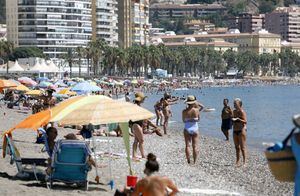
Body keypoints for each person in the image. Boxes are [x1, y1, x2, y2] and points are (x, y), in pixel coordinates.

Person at [182, 95, 200, 164]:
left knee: (187, 145)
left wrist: (188, 120)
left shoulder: (184, 111)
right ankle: (195, 161)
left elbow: (183, 120)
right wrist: (193, 120)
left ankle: (188, 160)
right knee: (195, 146)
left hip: (187, 128)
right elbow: (198, 119)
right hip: (195, 128)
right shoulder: (197, 110)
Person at [232, 98, 247, 166]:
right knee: (236, 147)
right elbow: (232, 119)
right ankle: (237, 161)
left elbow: (245, 121)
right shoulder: (234, 111)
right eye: (234, 104)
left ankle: (244, 162)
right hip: (235, 131)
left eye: (236, 104)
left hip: (241, 131)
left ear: (240, 105)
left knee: (242, 148)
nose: (234, 105)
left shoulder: (242, 111)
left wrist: (238, 119)